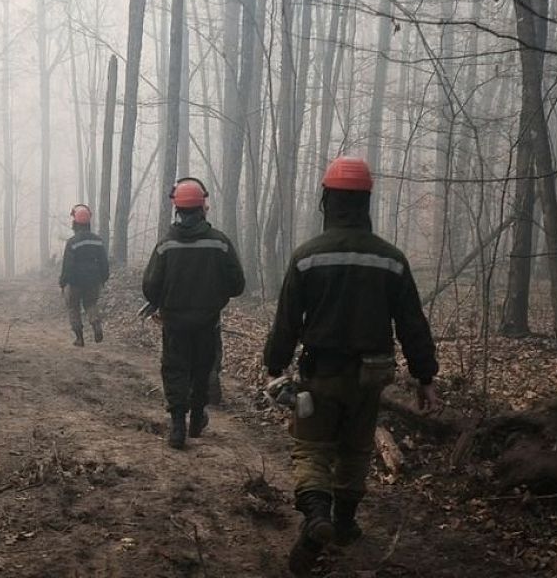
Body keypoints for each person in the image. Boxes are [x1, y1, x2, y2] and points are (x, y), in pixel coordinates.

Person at [262, 157, 440, 576]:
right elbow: (412, 322)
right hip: (371, 374)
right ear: (366, 202)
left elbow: (287, 321)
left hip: (320, 372)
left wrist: (274, 368)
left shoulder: (307, 257)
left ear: (328, 201)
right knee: (357, 448)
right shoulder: (391, 259)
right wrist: (425, 377)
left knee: (312, 447)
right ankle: (343, 523)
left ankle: (317, 517)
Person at [143, 178, 245, 449]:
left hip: (174, 323)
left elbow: (150, 287)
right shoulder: (220, 244)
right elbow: (238, 285)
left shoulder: (165, 245)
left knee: (175, 368)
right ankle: (197, 418)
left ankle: (178, 425)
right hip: (207, 322)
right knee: (202, 369)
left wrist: (164, 301)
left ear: (177, 208)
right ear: (203, 207)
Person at [58, 204, 110, 347]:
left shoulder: (72, 242)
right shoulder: (97, 240)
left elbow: (67, 265)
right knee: (91, 304)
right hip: (93, 280)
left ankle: (79, 338)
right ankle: (96, 324)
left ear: (75, 223)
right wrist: (103, 277)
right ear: (88, 223)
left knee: (73, 307)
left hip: (75, 281)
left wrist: (63, 282)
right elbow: (104, 262)